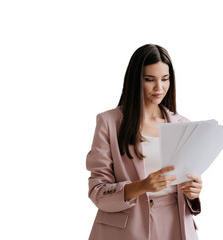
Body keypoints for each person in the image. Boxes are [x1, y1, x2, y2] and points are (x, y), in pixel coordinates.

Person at [86, 44, 202, 240]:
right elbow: (98, 192)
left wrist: (193, 192)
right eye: (150, 80)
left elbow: (186, 182)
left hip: (176, 224)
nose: (159, 88)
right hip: (127, 229)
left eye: (165, 79)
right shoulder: (109, 123)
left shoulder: (183, 125)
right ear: (135, 81)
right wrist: (143, 186)